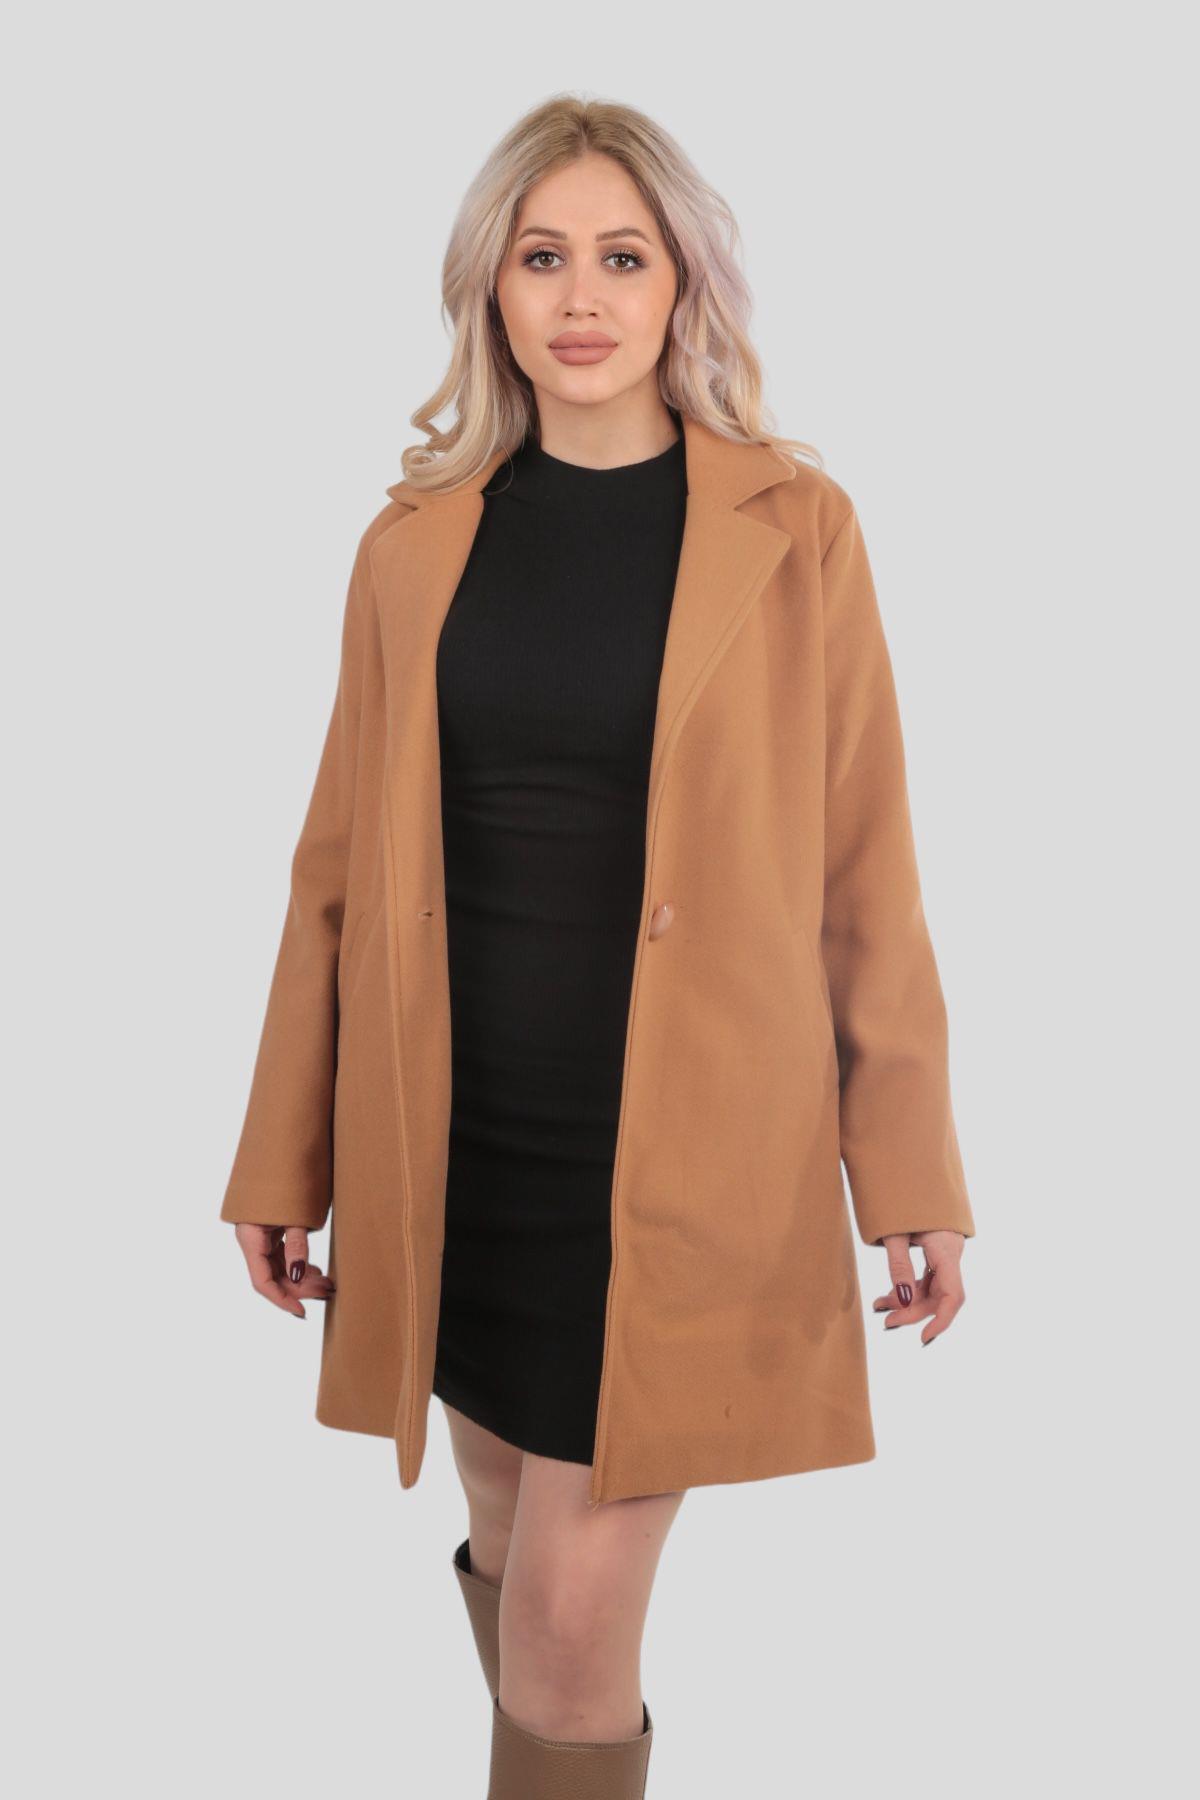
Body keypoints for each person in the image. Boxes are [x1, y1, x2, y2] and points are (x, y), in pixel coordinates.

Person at [220, 94, 974, 1796]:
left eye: (622, 257)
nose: (581, 296)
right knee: (507, 1545)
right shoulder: (412, 545)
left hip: (686, 1161)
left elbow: (866, 868)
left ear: (682, 282)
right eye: (541, 257)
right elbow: (334, 874)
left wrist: (909, 1169)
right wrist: (286, 1153)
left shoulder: (797, 529)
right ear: (488, 290)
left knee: (568, 1627)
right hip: (456, 1148)